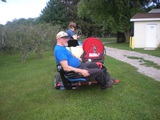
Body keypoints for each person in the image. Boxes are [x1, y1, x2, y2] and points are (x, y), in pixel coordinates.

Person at [54, 31, 118, 90]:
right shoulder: (59, 50)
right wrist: (81, 71)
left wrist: (76, 58)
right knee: (99, 72)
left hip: (79, 65)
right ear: (59, 39)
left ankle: (106, 79)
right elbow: (66, 68)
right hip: (74, 72)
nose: (67, 39)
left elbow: (69, 53)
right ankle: (105, 85)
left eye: (67, 37)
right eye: (64, 38)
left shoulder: (62, 47)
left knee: (96, 64)